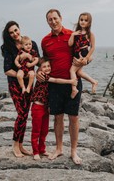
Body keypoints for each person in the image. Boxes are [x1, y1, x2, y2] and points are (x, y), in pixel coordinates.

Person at [38, 9, 85, 165]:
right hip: (54, 83)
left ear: (61, 18)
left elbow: (83, 53)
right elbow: (44, 62)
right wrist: (38, 72)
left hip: (73, 81)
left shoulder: (72, 34)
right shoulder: (45, 41)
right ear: (47, 22)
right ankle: (59, 148)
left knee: (73, 117)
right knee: (57, 116)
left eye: (55, 18)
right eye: (50, 19)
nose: (53, 21)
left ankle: (73, 151)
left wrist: (85, 61)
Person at [1, 21, 40, 158]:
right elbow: (7, 70)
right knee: (22, 113)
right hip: (15, 84)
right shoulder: (8, 48)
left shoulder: (31, 43)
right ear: (9, 35)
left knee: (25, 114)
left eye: (16, 30)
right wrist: (21, 72)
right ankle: (15, 145)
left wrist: (30, 57)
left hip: (29, 84)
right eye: (11, 32)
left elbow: (39, 61)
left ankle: (21, 145)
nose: (15, 34)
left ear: (19, 28)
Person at [31, 57, 77, 160]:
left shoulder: (48, 75)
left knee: (44, 130)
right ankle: (35, 152)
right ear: (39, 69)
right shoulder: (42, 76)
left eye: (48, 66)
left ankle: (42, 149)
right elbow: (56, 80)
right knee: (36, 131)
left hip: (45, 108)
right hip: (37, 107)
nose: (47, 68)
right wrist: (70, 81)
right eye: (44, 67)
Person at [68, 12, 98, 99]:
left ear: (89, 22)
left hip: (82, 55)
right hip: (76, 54)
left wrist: (87, 58)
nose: (83, 22)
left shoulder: (90, 34)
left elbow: (92, 47)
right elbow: (70, 44)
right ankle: (94, 81)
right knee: (79, 72)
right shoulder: (76, 33)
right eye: (81, 20)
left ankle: (74, 88)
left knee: (72, 71)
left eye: (85, 20)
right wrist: (73, 35)